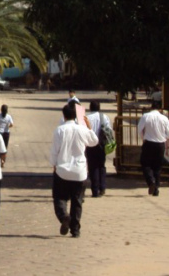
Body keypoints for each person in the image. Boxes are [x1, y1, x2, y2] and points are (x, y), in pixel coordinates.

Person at [50, 102, 99, 238]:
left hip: (62, 170)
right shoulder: (82, 129)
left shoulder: (59, 130)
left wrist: (53, 164)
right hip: (79, 171)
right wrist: (89, 127)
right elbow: (94, 141)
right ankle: (75, 230)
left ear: (64, 116)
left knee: (60, 198)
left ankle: (64, 216)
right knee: (77, 201)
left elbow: (54, 151)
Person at [137, 104, 169, 196]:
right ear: (160, 109)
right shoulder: (164, 118)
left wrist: (143, 138)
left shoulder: (145, 116)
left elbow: (139, 129)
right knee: (157, 167)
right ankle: (156, 189)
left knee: (145, 164)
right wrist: (162, 137)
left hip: (148, 143)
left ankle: (151, 181)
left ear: (151, 108)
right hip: (160, 145)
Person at [85, 101, 111, 197]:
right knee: (101, 166)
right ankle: (102, 187)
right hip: (101, 144)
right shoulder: (104, 117)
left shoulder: (86, 118)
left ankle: (95, 190)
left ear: (90, 107)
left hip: (90, 144)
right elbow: (109, 130)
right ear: (99, 107)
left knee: (92, 167)